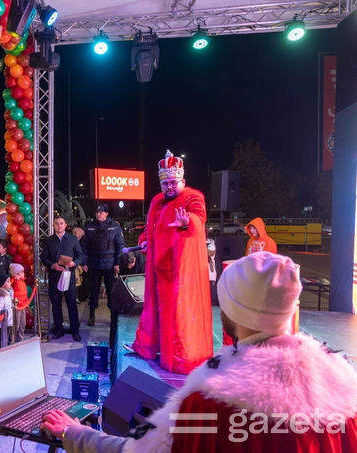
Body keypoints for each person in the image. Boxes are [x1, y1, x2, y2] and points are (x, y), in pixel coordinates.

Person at [41, 252, 357, 452]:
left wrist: (73, 433)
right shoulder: (344, 388)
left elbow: (139, 452)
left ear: (229, 312)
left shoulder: (208, 404)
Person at [132, 151, 212, 374]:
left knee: (176, 316)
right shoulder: (157, 200)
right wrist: (145, 241)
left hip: (178, 270)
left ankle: (177, 359)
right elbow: (150, 229)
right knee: (153, 310)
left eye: (173, 182)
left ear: (182, 181)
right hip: (157, 268)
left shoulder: (192, 197)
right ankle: (149, 348)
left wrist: (186, 223)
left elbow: (198, 220)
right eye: (165, 183)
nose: (169, 187)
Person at [39, 216, 83, 342]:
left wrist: (74, 263)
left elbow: (80, 256)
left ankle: (75, 330)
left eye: (61, 223)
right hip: (54, 275)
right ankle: (59, 329)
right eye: (57, 223)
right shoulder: (49, 241)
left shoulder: (73, 239)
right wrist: (52, 265)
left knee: (71, 304)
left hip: (69, 275)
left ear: (65, 225)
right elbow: (44, 257)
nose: (59, 226)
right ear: (53, 225)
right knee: (56, 304)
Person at [81, 204, 124, 326]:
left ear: (106, 213)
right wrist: (84, 263)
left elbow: (120, 246)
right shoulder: (90, 227)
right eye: (97, 212)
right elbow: (85, 247)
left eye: (101, 212)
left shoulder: (115, 227)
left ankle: (113, 317)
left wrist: (118, 263)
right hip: (94, 265)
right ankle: (92, 315)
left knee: (111, 292)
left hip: (110, 266)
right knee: (93, 292)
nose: (98, 214)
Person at [10, 263, 32, 342]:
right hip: (17, 307)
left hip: (23, 306)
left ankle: (20, 339)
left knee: (22, 325)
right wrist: (15, 279)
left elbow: (25, 295)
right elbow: (12, 287)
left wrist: (27, 304)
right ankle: (13, 340)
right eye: (21, 272)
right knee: (16, 325)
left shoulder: (23, 282)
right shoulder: (14, 282)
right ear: (16, 274)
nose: (24, 274)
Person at [0, 273, 13, 348]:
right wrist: (3, 319)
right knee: (1, 342)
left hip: (7, 322)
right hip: (1, 324)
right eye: (7, 281)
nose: (10, 283)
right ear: (2, 284)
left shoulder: (7, 293)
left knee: (7, 340)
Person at [206, 238, 222, 306]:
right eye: (210, 251)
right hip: (207, 280)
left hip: (215, 280)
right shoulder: (205, 259)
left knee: (215, 295)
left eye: (212, 251)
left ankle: (215, 306)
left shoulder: (216, 259)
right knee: (210, 296)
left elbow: (219, 269)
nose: (211, 253)